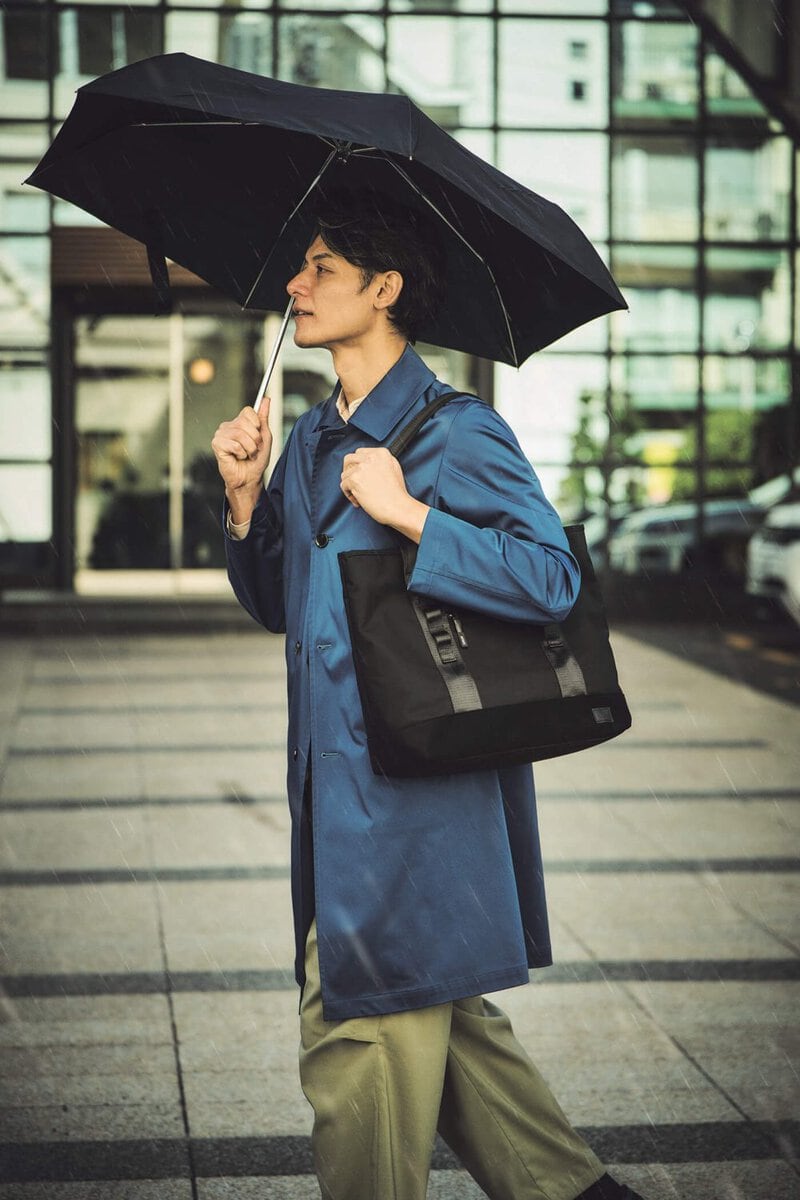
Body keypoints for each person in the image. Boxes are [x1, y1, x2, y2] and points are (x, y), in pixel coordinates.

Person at [211, 192, 644, 1200]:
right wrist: (243, 501)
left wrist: (408, 515)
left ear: (385, 288)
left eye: (319, 267)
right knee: (445, 1038)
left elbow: (550, 579)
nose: (294, 286)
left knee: (354, 1037)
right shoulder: (313, 441)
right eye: (299, 268)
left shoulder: (457, 433)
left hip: (417, 807)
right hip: (335, 800)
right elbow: (285, 602)